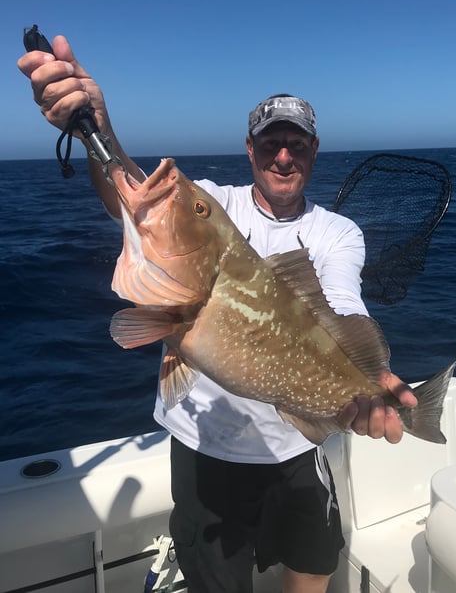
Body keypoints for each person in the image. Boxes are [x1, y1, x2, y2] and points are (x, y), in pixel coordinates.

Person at [18, 36, 417, 593]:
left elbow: (344, 308)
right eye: (271, 143)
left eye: (296, 145)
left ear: (314, 151)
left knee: (313, 564)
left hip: (299, 448)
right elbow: (131, 192)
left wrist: (369, 386)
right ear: (250, 150)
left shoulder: (337, 232)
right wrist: (98, 132)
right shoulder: (210, 201)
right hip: (204, 451)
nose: (284, 156)